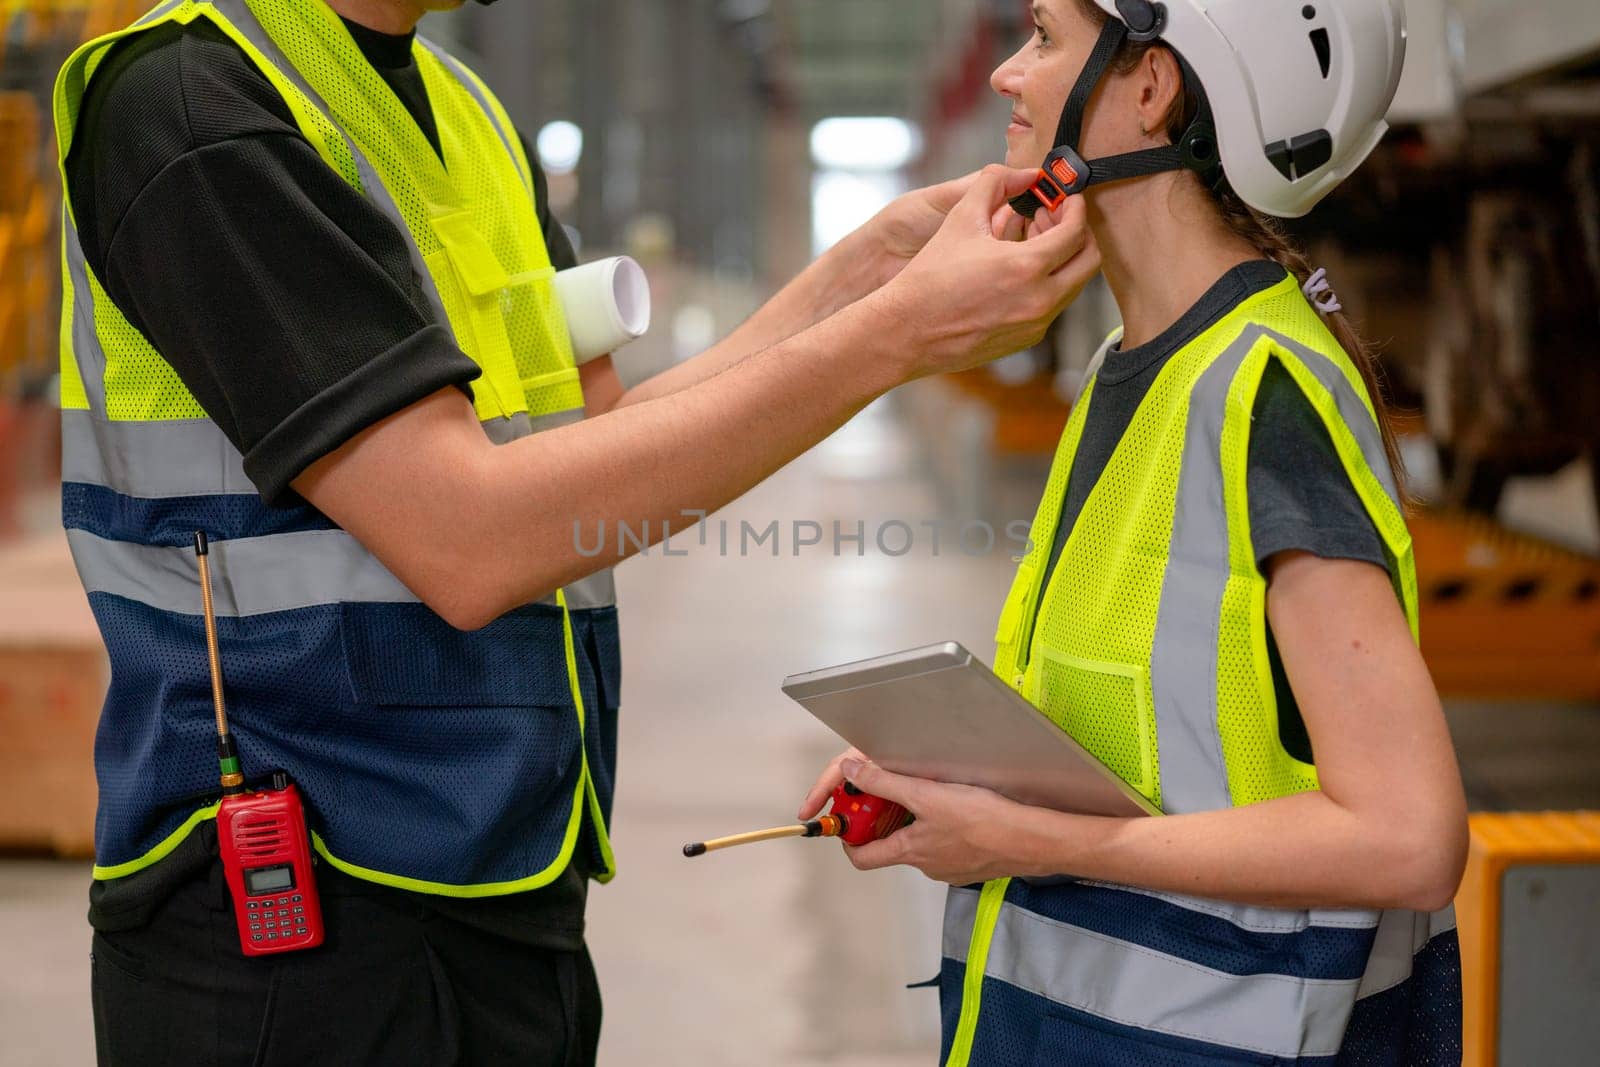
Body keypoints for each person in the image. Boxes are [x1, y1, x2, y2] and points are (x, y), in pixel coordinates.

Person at [55, 0, 1101, 1062]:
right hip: (298, 904)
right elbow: (469, 539)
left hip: (509, 862)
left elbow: (596, 457)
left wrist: (864, 278)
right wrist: (894, 335)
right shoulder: (193, 108)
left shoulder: (464, 113)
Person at [803, 1, 1469, 1063]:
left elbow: (1409, 836)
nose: (1005, 77)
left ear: (1152, 87)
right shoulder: (1139, 360)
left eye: (1044, 39)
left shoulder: (1257, 389)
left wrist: (1039, 841)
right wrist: (955, 769)